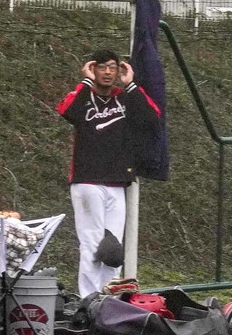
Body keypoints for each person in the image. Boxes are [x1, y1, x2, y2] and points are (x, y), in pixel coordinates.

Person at [57, 49, 161, 298]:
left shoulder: (123, 98)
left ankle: (111, 297)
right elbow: (66, 110)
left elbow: (152, 118)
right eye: (101, 67)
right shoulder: (84, 97)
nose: (107, 72)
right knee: (92, 244)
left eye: (112, 67)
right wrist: (84, 81)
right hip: (87, 181)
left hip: (117, 181)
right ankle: (88, 298)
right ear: (93, 69)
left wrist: (131, 84)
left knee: (113, 249)